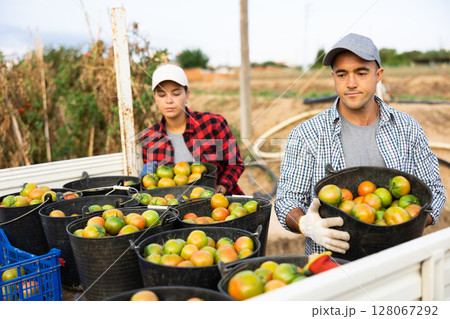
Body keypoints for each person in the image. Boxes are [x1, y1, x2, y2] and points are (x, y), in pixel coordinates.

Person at [275, 33, 446, 255]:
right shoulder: (307, 134)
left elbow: (434, 189)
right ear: (333, 77)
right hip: (333, 267)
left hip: (398, 263)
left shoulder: (407, 128)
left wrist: (408, 225)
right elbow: (286, 200)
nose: (351, 83)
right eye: (342, 74)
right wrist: (305, 224)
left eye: (361, 73)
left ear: (378, 75)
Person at [140, 64, 245, 195]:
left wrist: (219, 190)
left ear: (187, 94)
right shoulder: (150, 137)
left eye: (176, 93)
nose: (169, 100)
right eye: (162, 95)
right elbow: (154, 183)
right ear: (154, 97)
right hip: (176, 211)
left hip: (220, 206)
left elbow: (235, 164)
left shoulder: (213, 124)